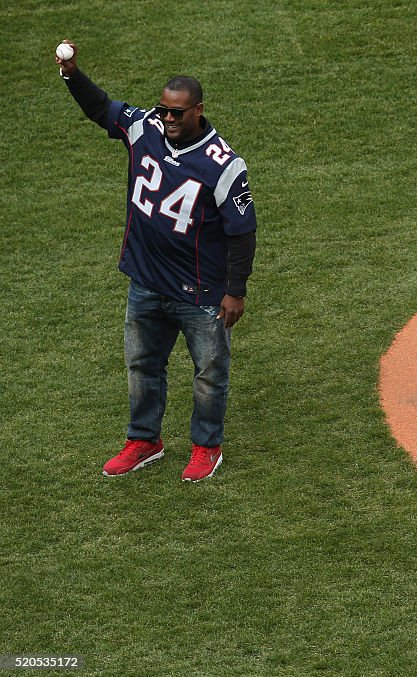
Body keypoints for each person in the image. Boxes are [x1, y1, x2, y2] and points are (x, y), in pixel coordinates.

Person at [56, 41, 257, 482]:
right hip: (145, 280)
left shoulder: (223, 164)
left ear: (198, 110)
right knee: (143, 365)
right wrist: (71, 74)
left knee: (208, 372)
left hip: (200, 291)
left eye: (177, 113)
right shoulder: (144, 127)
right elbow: (102, 109)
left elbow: (243, 233)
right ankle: (144, 440)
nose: (167, 119)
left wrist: (235, 290)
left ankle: (206, 447)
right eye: (164, 110)